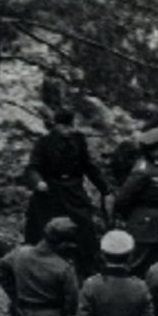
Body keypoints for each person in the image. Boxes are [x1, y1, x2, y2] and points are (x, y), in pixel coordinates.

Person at [21, 109, 111, 273]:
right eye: (63, 127)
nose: (67, 131)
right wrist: (39, 182)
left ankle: (88, 270)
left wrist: (105, 188)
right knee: (42, 230)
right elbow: (32, 167)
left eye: (70, 127)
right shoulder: (43, 142)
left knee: (85, 228)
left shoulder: (78, 141)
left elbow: (88, 166)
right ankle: (37, 269)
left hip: (73, 191)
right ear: (56, 126)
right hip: (50, 192)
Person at [116, 126, 158, 274]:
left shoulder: (157, 165)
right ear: (156, 149)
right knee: (137, 264)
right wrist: (132, 218)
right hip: (145, 225)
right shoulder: (143, 170)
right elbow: (123, 199)